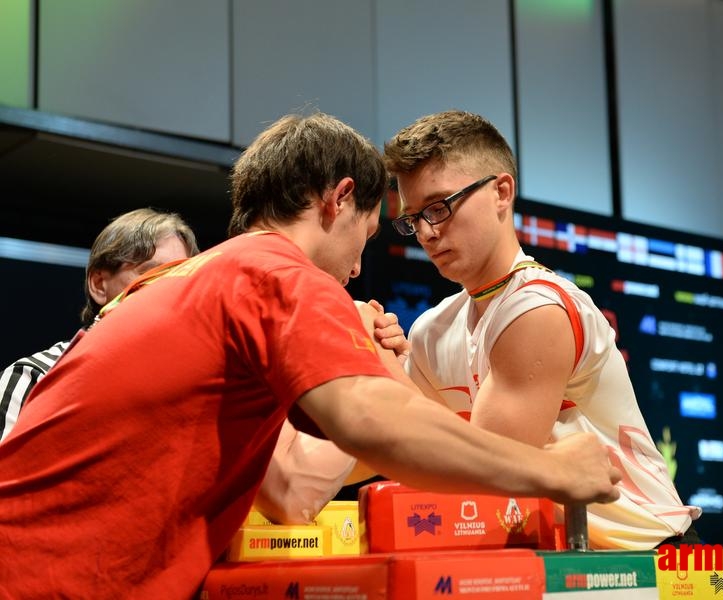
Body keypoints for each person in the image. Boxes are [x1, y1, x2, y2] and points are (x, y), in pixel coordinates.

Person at [0, 112, 622, 599]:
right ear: (337, 199)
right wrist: (555, 470)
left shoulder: (195, 279)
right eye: (367, 237)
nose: (354, 271)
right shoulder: (277, 273)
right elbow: (375, 425)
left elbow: (293, 489)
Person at [382, 109, 698, 550]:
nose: (427, 233)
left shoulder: (536, 307)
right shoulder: (432, 330)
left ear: (501, 192)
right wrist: (379, 366)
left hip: (648, 557)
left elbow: (486, 469)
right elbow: (400, 448)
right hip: (558, 558)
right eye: (413, 219)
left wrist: (382, 376)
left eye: (439, 207)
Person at [0, 207, 199, 442]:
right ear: (98, 284)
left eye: (179, 275)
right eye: (151, 273)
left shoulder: (188, 388)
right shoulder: (35, 377)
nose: (168, 287)